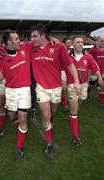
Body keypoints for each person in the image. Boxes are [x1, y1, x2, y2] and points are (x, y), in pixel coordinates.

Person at [30, 23, 80, 158]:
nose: (31, 39)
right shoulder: (31, 48)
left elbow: (70, 65)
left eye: (34, 36)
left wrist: (76, 81)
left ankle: (50, 122)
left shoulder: (58, 47)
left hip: (56, 87)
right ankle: (49, 143)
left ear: (43, 36)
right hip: (41, 88)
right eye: (31, 36)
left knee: (52, 111)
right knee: (46, 114)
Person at [0, 30, 31, 159]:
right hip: (11, 90)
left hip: (25, 89)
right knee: (12, 115)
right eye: (16, 39)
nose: (19, 41)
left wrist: (54, 39)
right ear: (9, 42)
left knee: (22, 117)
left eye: (19, 38)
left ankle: (19, 147)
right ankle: (10, 121)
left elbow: (38, 41)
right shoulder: (3, 60)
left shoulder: (25, 48)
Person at [66, 37, 104, 146]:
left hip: (83, 85)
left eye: (82, 42)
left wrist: (99, 78)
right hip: (72, 85)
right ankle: (75, 136)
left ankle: (74, 113)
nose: (80, 44)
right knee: (74, 111)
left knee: (81, 100)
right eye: (77, 42)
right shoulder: (68, 56)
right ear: (73, 44)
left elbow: (95, 68)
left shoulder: (88, 56)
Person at [89, 36, 104, 106]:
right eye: (101, 41)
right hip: (94, 72)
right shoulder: (93, 50)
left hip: (103, 72)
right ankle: (87, 94)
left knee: (102, 85)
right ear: (97, 41)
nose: (103, 42)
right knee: (90, 85)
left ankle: (102, 101)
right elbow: (89, 60)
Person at [61, 38, 72, 111]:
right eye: (68, 42)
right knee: (64, 89)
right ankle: (65, 104)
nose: (70, 44)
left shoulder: (71, 51)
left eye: (70, 42)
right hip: (62, 71)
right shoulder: (60, 51)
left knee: (69, 88)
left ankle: (65, 101)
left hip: (69, 71)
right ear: (64, 43)